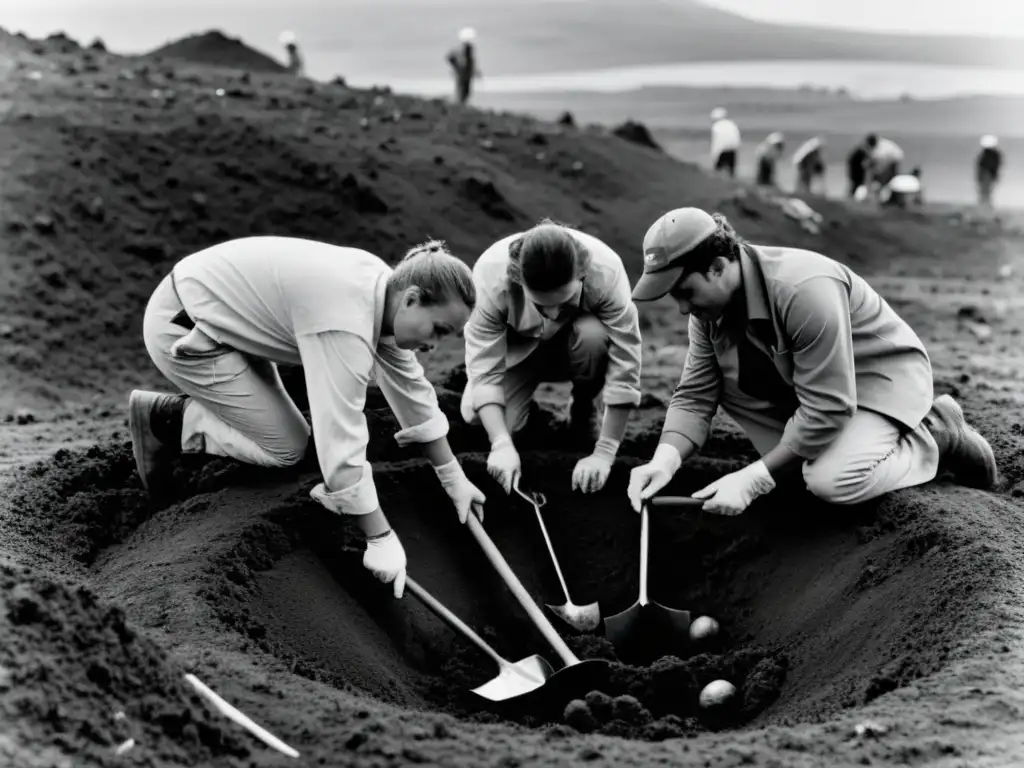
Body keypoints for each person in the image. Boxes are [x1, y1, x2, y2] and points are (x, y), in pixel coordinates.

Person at [129, 236, 486, 599]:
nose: (434, 346)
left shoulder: (382, 286)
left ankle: (207, 410)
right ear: (411, 298)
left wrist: (451, 475)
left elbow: (410, 387)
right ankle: (168, 420)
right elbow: (341, 437)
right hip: (180, 325)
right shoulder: (345, 322)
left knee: (294, 434)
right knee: (286, 448)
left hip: (220, 312)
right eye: (439, 330)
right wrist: (380, 536)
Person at [626, 208, 998, 517]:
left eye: (685, 292)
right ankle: (802, 460)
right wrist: (664, 461)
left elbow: (830, 406)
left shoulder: (802, 290)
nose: (683, 308)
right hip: (811, 386)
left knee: (830, 481)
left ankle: (936, 431)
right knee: (791, 470)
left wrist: (756, 476)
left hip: (878, 383)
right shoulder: (709, 312)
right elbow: (695, 395)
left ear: (719, 267)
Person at [460, 220, 642, 495]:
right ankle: (531, 417)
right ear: (518, 282)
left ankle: (582, 408)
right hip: (517, 352)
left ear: (581, 275)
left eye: (565, 302)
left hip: (579, 347)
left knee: (593, 335)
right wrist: (500, 444)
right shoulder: (489, 277)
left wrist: (604, 453)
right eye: (542, 305)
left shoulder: (606, 271)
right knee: (475, 415)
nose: (555, 314)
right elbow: (484, 370)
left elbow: (625, 365)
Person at [447, 27, 481, 106]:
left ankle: (461, 105)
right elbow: (451, 58)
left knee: (465, 92)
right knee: (463, 92)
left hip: (464, 75)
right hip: (463, 75)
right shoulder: (464, 52)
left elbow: (470, 64)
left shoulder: (466, 52)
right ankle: (461, 106)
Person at [709, 107, 741, 178]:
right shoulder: (732, 124)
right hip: (733, 149)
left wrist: (714, 156)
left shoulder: (716, 127)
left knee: (718, 170)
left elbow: (716, 142)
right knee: (731, 171)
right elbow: (737, 138)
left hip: (722, 150)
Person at [976, 135, 1002, 209]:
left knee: (985, 192)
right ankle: (985, 206)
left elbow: (983, 166)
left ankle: (985, 206)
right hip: (988, 175)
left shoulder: (988, 154)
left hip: (987, 175)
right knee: (986, 192)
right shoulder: (993, 154)